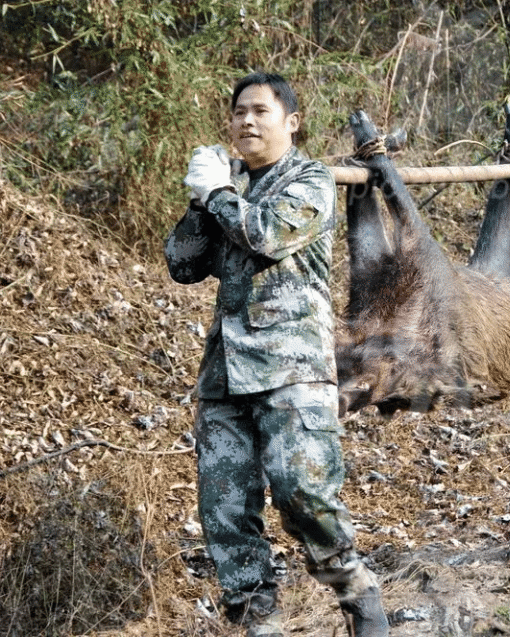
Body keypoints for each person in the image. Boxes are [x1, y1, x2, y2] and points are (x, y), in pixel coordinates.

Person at [164, 72, 389, 637]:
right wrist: (200, 201)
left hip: (292, 370)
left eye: (261, 111)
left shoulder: (308, 180)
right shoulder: (228, 187)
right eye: (239, 111)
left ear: (291, 122)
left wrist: (218, 195)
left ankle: (357, 592)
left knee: (303, 492)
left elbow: (265, 234)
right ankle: (257, 622)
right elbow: (183, 264)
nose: (247, 121)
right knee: (225, 512)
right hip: (225, 377)